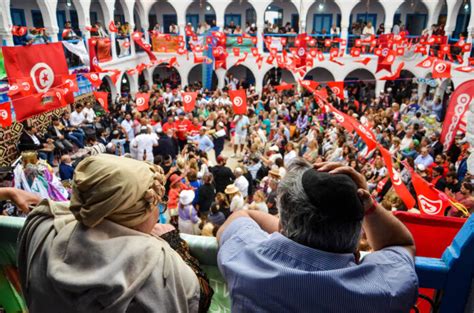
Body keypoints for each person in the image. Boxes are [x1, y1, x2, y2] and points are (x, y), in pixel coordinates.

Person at [217, 159, 417, 312]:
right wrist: (369, 204)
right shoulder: (383, 289)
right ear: (356, 241)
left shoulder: (245, 260)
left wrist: (286, 228)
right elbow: (401, 244)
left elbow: (242, 216)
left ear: (281, 224)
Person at [17, 154, 204, 312]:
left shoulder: (42, 227)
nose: (158, 212)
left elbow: (63, 209)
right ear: (134, 216)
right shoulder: (158, 264)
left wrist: (10, 192)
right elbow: (199, 299)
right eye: (157, 205)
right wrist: (172, 242)